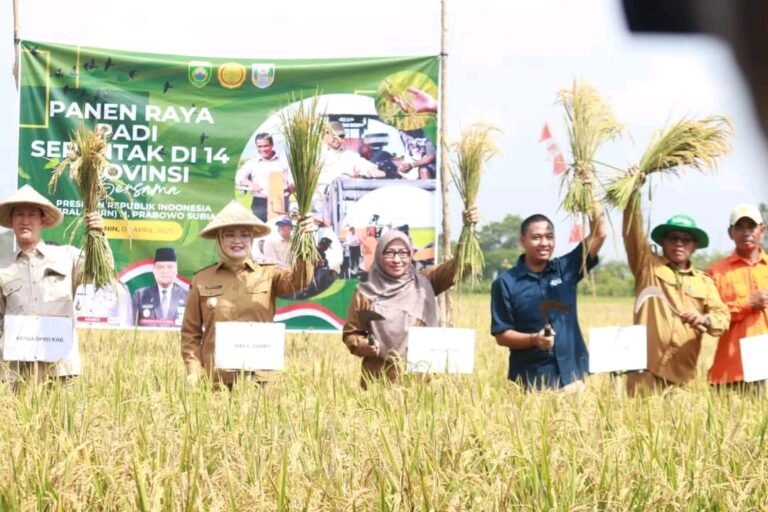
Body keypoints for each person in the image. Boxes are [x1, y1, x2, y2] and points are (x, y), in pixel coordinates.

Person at [180, 201, 314, 388]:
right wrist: (193, 372)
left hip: (262, 384)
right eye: (230, 235)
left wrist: (305, 240)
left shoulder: (269, 273)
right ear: (219, 239)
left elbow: (300, 280)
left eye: (244, 235)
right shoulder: (202, 279)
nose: (238, 241)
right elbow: (190, 333)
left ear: (252, 239)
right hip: (216, 384)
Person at [342, 208, 479, 387]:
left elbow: (460, 265)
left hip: (421, 384)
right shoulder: (365, 293)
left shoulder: (425, 282)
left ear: (410, 255)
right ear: (379, 255)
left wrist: (468, 228)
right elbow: (351, 334)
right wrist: (364, 345)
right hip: (378, 383)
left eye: (403, 253)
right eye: (389, 253)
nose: (397, 260)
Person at [491, 205, 606, 391]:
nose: (544, 243)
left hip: (573, 379)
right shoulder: (506, 282)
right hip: (531, 381)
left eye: (549, 237)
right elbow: (502, 335)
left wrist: (590, 198)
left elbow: (599, 234)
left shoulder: (566, 269)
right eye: (536, 237)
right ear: (522, 241)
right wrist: (534, 339)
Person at [0, 185, 108, 384]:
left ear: (42, 221)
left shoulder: (67, 256)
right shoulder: (2, 267)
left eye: (31, 214)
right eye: (19, 214)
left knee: (63, 406)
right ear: (12, 221)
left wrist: (99, 236)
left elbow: (100, 273)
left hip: (61, 369)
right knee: (17, 406)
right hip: (16, 372)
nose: (25, 220)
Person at [623, 202, 730, 395]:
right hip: (645, 373)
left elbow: (723, 318)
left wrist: (704, 319)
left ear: (694, 245)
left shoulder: (704, 282)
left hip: (683, 378)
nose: (679, 243)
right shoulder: (647, 266)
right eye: (673, 238)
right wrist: (632, 198)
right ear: (663, 242)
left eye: (686, 239)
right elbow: (632, 232)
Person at [707, 204, 768, 388]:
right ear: (730, 233)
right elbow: (714, 318)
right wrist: (748, 303)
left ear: (762, 230)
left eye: (751, 227)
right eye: (740, 227)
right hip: (732, 371)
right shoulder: (716, 272)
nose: (746, 233)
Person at [314, 121, 386, 224]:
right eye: (334, 136)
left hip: (346, 199)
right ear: (325, 135)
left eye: (341, 136)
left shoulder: (348, 154)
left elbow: (362, 164)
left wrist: (371, 170)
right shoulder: (315, 155)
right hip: (321, 201)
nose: (338, 139)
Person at [234, 133, 292, 221]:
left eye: (265, 146)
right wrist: (250, 184)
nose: (262, 149)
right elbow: (239, 177)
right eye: (259, 146)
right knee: (260, 228)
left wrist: (292, 185)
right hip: (260, 202)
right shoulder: (252, 163)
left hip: (281, 201)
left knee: (279, 228)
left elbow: (292, 179)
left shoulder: (284, 161)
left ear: (272, 145)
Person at [132, 247, 188, 327]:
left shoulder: (187, 297)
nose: (165, 271)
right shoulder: (140, 296)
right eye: (161, 267)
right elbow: (131, 328)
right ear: (154, 270)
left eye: (170, 267)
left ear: (176, 270)